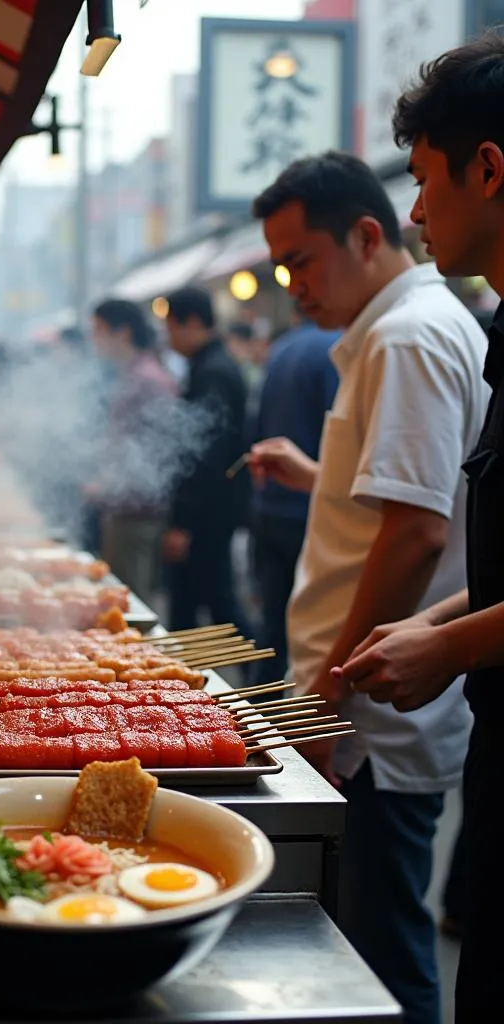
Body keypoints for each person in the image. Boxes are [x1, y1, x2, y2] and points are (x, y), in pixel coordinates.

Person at [247, 151, 488, 1024]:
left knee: (381, 961)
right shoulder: (396, 329)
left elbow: (419, 533)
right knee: (364, 945)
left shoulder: (407, 335)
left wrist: (321, 699)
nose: (292, 284)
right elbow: (415, 496)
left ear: (366, 235)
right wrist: (319, 475)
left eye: (301, 259)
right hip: (367, 708)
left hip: (372, 722)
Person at [333, 35, 504, 1021]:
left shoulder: (421, 328)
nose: (415, 211)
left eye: (427, 177)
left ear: (487, 169)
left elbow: (414, 528)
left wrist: (447, 640)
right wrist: (445, 637)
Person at [248, 312, 340, 684]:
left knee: (274, 624)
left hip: (270, 505)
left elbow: (252, 430)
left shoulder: (281, 350)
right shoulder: (337, 350)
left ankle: (261, 716)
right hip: (311, 509)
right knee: (310, 628)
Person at [162, 287, 252, 637]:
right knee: (197, 600)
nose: (168, 339)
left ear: (193, 323)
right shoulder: (209, 365)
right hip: (211, 509)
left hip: (208, 513)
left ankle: (261, 679)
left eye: (171, 328)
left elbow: (205, 456)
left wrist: (183, 521)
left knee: (218, 602)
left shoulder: (213, 372)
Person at [87, 298, 178, 601]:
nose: (94, 339)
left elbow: (159, 452)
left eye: (99, 330)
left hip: (137, 514)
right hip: (123, 509)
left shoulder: (148, 379)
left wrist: (111, 483)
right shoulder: (134, 374)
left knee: (129, 603)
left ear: (123, 332)